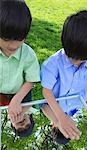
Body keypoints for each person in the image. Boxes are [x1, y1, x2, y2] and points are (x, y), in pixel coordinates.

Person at [41, 10, 87, 144]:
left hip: (77, 103)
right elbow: (46, 91)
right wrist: (59, 117)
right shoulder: (52, 64)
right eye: (72, 57)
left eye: (82, 59)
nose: (77, 62)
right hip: (56, 106)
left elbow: (86, 82)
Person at [0, 0, 40, 135]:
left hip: (21, 92)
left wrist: (17, 99)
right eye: (6, 40)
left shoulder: (28, 54)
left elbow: (31, 79)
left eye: (20, 40)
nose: (13, 46)